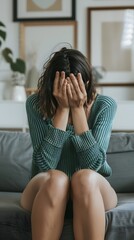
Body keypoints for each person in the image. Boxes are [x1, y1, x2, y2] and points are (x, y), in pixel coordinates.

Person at [20, 46, 118, 240]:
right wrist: (63, 110)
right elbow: (45, 164)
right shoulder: (35, 104)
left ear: (86, 83)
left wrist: (78, 109)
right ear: (51, 86)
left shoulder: (104, 105)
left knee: (84, 178)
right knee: (57, 179)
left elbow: (93, 164)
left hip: (92, 191)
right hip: (46, 189)